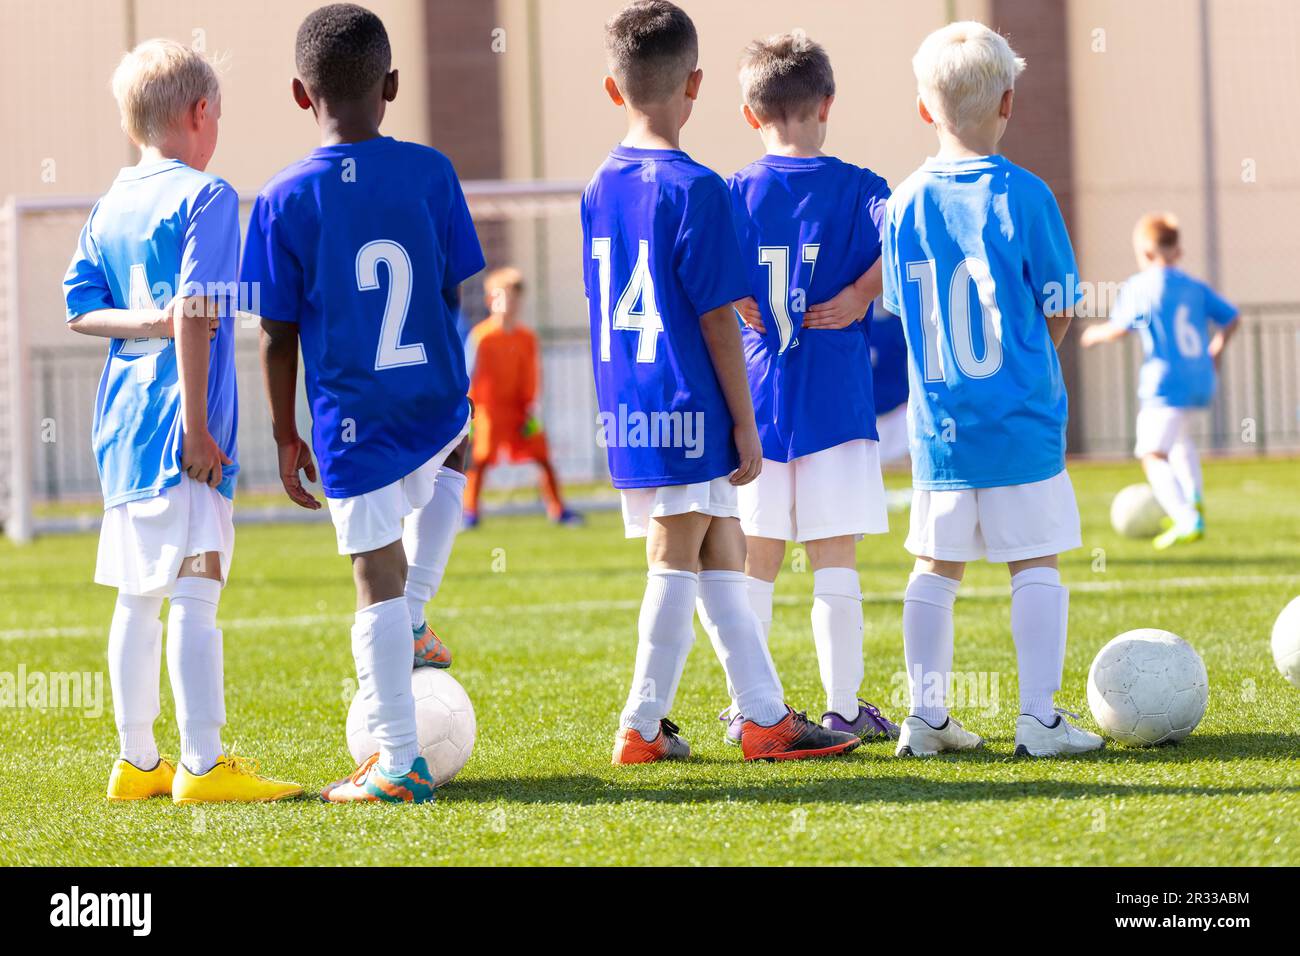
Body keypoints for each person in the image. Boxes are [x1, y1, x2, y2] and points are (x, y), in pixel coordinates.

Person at [582, 1, 861, 764]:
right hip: (689, 400)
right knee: (677, 557)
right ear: (696, 84)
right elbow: (716, 321)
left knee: (720, 554)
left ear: (613, 89)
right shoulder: (698, 188)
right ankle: (640, 724)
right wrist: (745, 421)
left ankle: (764, 715)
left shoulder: (598, 187)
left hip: (632, 400)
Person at [241, 3, 483, 802]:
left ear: (300, 95)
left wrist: (284, 434)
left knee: (372, 573)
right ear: (393, 85)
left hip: (355, 422)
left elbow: (276, 335)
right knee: (461, 448)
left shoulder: (280, 198)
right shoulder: (432, 172)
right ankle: (416, 617)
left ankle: (399, 760)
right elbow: (452, 288)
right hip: (437, 399)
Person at [64, 38, 301, 803]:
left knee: (137, 595)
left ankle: (136, 762)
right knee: (197, 589)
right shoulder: (206, 195)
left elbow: (81, 311)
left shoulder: (110, 203)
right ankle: (202, 765)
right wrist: (199, 428)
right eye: (219, 114)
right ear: (200, 113)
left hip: (122, 426)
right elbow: (197, 313)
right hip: (181, 425)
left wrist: (145, 322)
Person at [880, 21, 1104, 758]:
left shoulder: (904, 201)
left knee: (934, 569)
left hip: (940, 426)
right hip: (1020, 421)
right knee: (1034, 561)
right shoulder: (1028, 195)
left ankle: (925, 717)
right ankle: (1038, 721)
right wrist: (1028, 369)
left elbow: (901, 309)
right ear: (1008, 102)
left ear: (923, 109)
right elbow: (1061, 304)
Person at [711, 31, 898, 745]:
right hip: (837, 402)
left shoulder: (731, 190)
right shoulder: (861, 185)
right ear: (827, 103)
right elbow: (907, 238)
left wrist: (735, 298)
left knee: (755, 558)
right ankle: (843, 705)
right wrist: (859, 292)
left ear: (750, 114)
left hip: (753, 401)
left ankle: (748, 707)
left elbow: (698, 268)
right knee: (834, 556)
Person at [1081, 213, 1239, 549]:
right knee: (1180, 440)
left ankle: (1185, 517)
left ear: (1146, 254)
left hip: (1164, 384)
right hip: (1200, 379)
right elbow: (1231, 317)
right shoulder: (1194, 286)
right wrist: (1217, 348)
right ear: (1177, 252)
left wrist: (1094, 334)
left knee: (1153, 454)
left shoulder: (1140, 286)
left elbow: (1120, 329)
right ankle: (1193, 499)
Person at [463, 266, 582, 528]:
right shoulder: (481, 337)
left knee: (542, 456)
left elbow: (532, 374)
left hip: (520, 410)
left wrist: (531, 406)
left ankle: (558, 509)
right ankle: (470, 512)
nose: (511, 303)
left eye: (516, 298)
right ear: (490, 300)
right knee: (479, 460)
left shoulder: (527, 338)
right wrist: (469, 411)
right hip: (488, 411)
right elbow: (468, 374)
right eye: (504, 296)